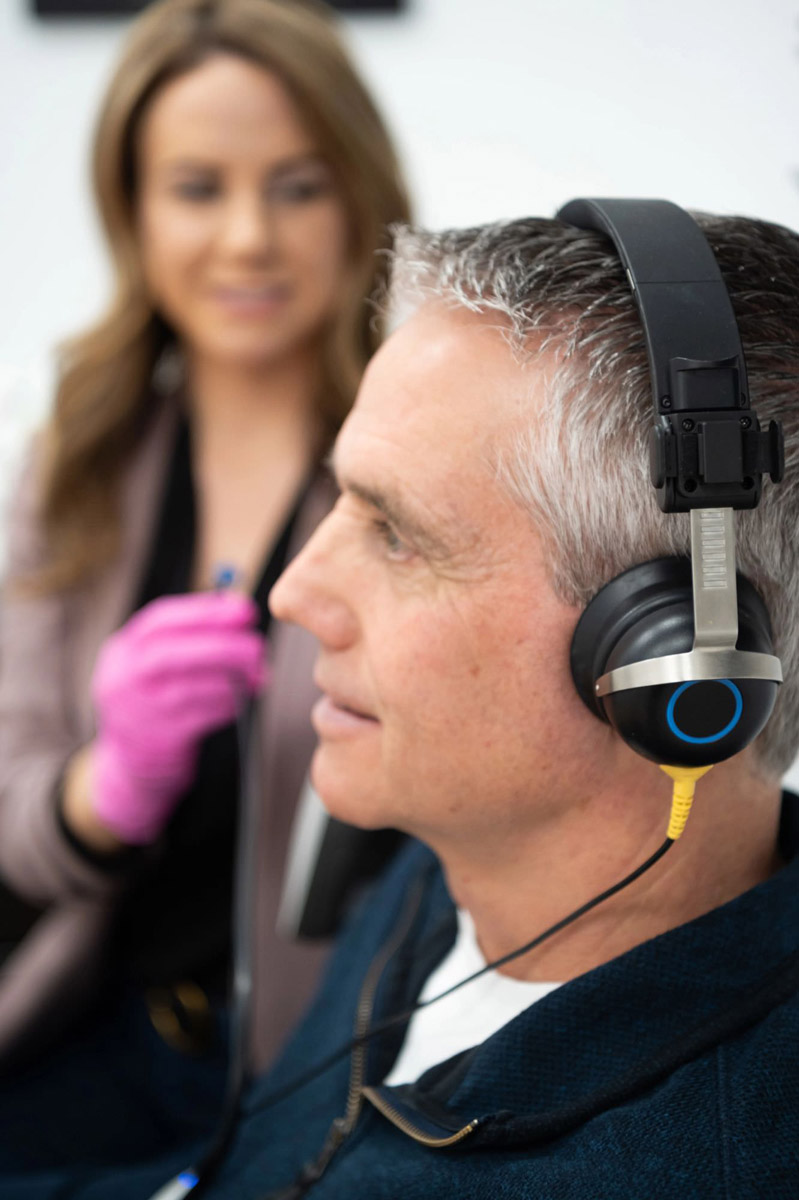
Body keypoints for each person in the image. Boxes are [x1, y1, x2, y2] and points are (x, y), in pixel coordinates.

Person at [38, 200, 796, 1200]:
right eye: (340, 502)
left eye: (397, 535)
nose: (291, 595)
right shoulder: (450, 865)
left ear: (670, 658)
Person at [0, 0, 410, 1173]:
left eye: (296, 186)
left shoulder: (420, 469)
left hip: (327, 1067)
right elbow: (13, 813)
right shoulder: (73, 464)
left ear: (357, 196)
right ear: (130, 209)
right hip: (86, 1032)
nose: (246, 238)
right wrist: (105, 788)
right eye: (195, 188)